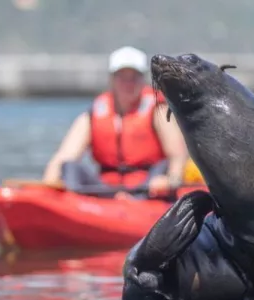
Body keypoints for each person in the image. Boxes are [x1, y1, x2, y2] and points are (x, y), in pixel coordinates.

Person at [42, 46, 188, 200]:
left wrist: (171, 180)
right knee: (69, 168)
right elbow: (65, 156)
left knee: (162, 167)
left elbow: (178, 156)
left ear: (143, 79)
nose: (128, 83)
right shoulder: (95, 113)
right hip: (106, 190)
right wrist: (48, 183)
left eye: (134, 77)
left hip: (146, 189)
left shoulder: (157, 110)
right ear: (112, 79)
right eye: (122, 77)